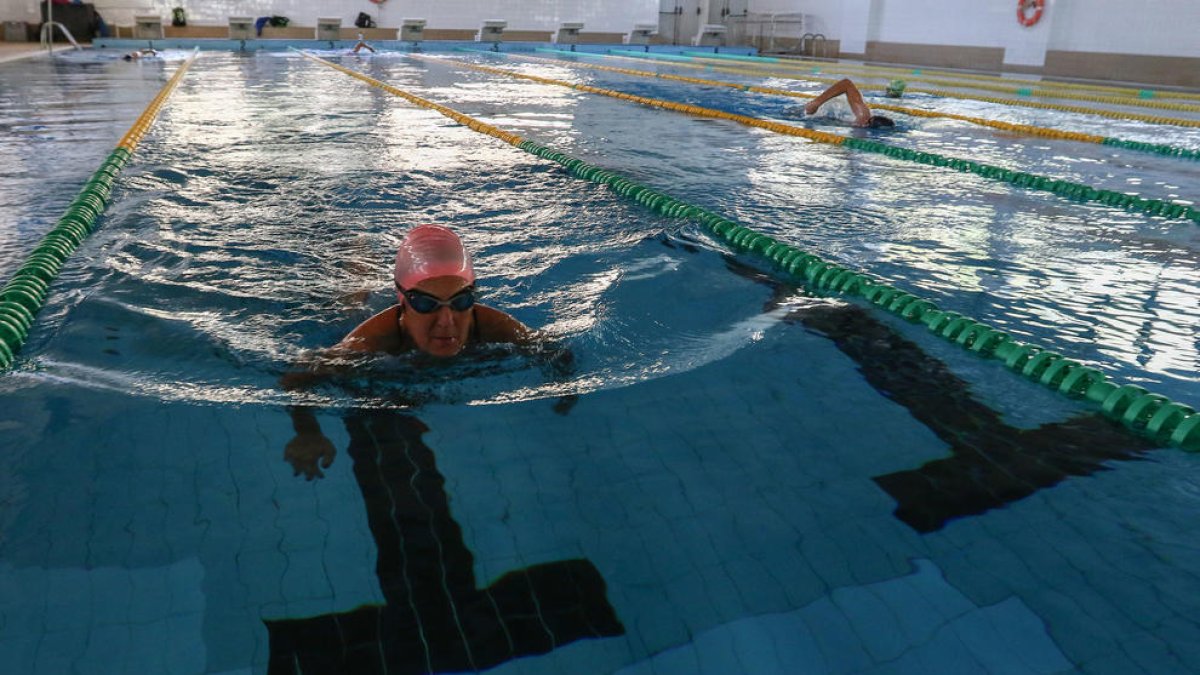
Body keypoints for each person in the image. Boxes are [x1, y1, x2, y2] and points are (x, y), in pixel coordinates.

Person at [283, 224, 543, 479]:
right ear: (404, 303)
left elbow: (553, 350)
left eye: (461, 301)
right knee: (352, 303)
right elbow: (298, 376)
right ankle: (357, 248)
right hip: (366, 311)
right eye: (426, 303)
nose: (446, 320)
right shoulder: (369, 342)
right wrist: (306, 431)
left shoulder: (493, 326)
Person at [802, 78, 895, 129]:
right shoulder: (863, 114)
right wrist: (817, 103)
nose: (861, 123)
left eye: (864, 124)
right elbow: (847, 83)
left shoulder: (861, 127)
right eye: (865, 121)